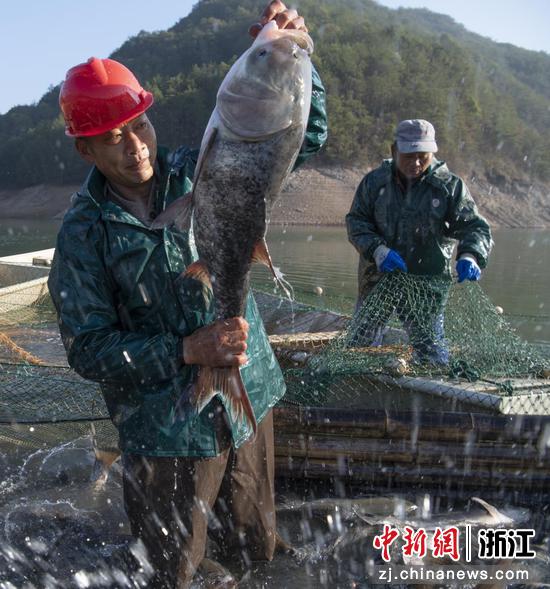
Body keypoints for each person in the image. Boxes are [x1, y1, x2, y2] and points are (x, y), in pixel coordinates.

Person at [47, 2, 327, 587]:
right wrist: (184, 352)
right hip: (164, 433)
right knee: (174, 569)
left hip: (247, 396)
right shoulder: (82, 234)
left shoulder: (197, 166)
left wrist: (295, 56)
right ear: (85, 150)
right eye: (113, 137)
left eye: (141, 126)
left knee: (256, 544)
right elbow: (88, 348)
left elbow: (302, 133)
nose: (136, 147)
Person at [346, 119, 493, 365]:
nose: (415, 163)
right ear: (394, 151)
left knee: (432, 353)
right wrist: (378, 250)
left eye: (422, 156)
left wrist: (471, 255)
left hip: (426, 284)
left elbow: (475, 227)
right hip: (377, 279)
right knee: (360, 347)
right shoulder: (374, 183)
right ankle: (359, 390)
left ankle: (430, 395)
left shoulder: (449, 186)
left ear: (433, 153)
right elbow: (356, 222)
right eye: (408, 156)